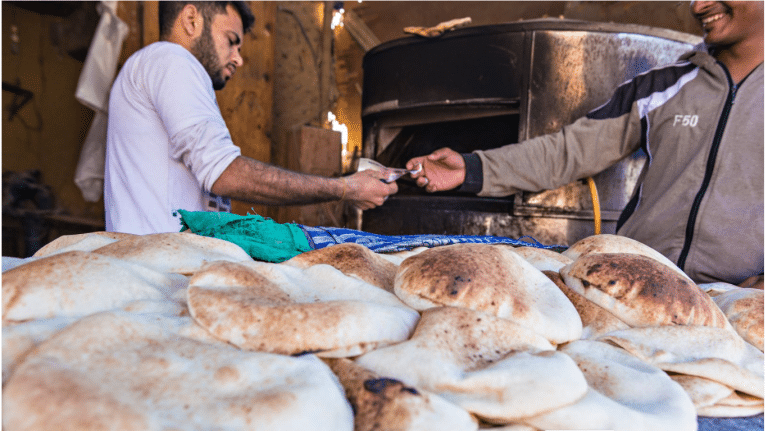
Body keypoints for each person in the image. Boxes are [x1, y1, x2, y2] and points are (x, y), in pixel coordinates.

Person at [406, 1, 763, 286]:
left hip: (737, 299)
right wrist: (472, 168)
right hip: (638, 282)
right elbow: (568, 151)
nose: (699, 5)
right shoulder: (660, 86)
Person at [105, 1, 396, 235]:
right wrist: (345, 187)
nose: (238, 59)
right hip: (157, 268)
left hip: (162, 261)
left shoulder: (161, 69)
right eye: (231, 41)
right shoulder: (170, 59)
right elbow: (225, 173)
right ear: (191, 19)